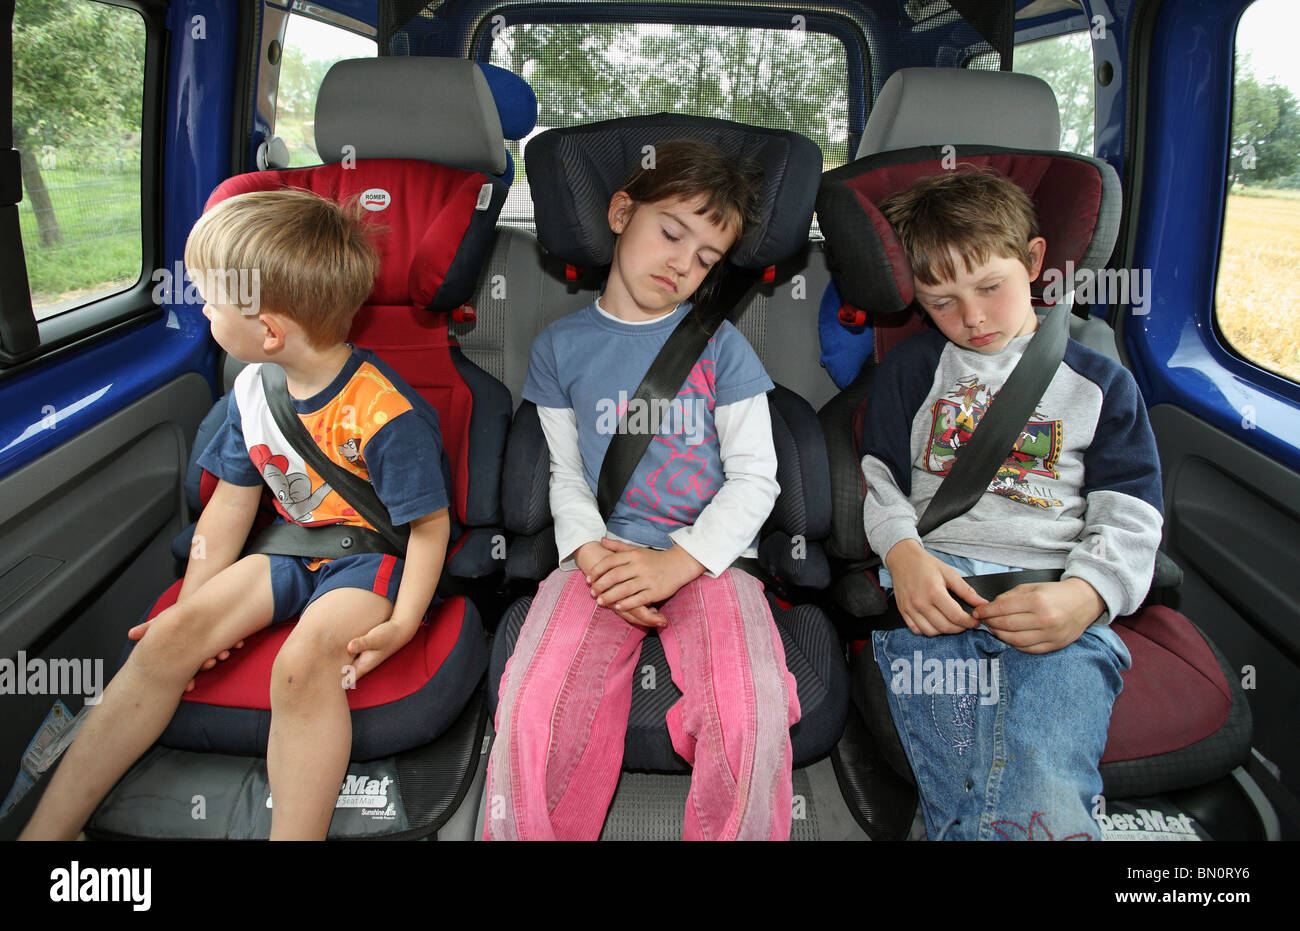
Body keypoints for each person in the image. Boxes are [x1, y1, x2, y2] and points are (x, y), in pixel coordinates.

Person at [20, 189, 451, 841]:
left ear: (269, 331)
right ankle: (48, 831)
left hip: (372, 556)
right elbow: (232, 502)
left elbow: (428, 527)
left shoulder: (386, 413)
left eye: (210, 302)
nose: (202, 311)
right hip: (290, 546)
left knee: (301, 665)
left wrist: (403, 620)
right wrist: (195, 607)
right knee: (166, 639)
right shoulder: (252, 389)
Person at [485, 140, 801, 841]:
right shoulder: (558, 348)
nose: (682, 264)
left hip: (712, 559)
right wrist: (590, 552)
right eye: (671, 233)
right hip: (603, 553)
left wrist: (678, 562)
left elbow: (756, 476)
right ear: (623, 212)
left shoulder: (721, 347)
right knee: (534, 709)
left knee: (751, 712)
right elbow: (566, 472)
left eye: (706, 258)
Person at [860, 169, 1163, 841]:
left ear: (1032, 261)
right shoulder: (914, 370)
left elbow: (1130, 515)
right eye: (941, 302)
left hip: (1054, 594)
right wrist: (904, 556)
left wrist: (1087, 594)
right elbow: (879, 480)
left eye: (989, 288)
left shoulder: (1100, 384)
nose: (970, 317)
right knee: (958, 773)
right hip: (937, 590)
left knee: (1042, 768)